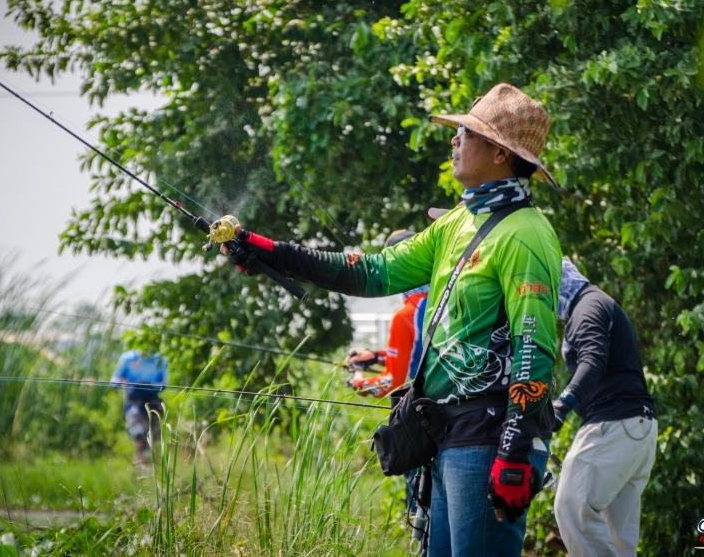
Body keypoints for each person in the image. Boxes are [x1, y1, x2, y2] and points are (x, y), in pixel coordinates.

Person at [224, 83, 562, 556]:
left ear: (501, 154)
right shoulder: (457, 222)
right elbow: (374, 272)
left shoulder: (526, 234)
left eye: (467, 133)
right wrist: (272, 252)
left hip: (488, 437)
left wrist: (514, 451)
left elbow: (535, 347)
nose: (455, 140)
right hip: (444, 432)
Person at [551, 258, 657, 556]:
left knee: (570, 506)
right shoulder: (594, 303)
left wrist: (562, 405)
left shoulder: (587, 308)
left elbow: (592, 360)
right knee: (618, 540)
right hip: (636, 428)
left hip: (615, 424)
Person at [345, 228, 429, 398]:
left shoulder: (405, 316)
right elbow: (423, 355)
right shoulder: (444, 299)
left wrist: (359, 381)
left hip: (426, 414)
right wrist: (377, 356)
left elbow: (393, 384)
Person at [111, 349, 168, 464]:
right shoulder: (127, 358)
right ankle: (141, 466)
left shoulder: (160, 359)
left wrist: (148, 385)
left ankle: (151, 468)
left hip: (153, 402)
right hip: (133, 402)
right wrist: (125, 382)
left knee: (153, 437)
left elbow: (164, 384)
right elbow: (114, 382)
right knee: (138, 434)